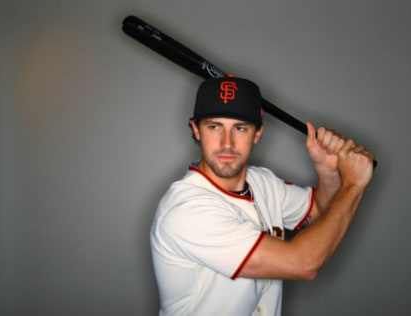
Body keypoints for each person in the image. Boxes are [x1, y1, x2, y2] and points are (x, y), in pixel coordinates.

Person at [150, 76, 374, 316]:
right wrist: (352, 185)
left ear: (257, 133)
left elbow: (320, 212)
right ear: (196, 130)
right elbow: (303, 263)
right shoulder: (187, 211)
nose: (227, 143)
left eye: (240, 128)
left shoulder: (263, 182)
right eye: (214, 126)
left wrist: (327, 170)